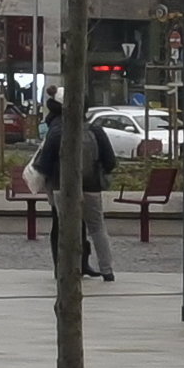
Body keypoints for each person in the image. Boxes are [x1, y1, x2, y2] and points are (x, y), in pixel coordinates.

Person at [73, 104, 119, 280]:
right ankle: (107, 269)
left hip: (65, 188)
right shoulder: (96, 131)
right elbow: (110, 161)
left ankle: (70, 268)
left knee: (69, 228)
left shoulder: (59, 131)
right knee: (97, 228)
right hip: (92, 186)